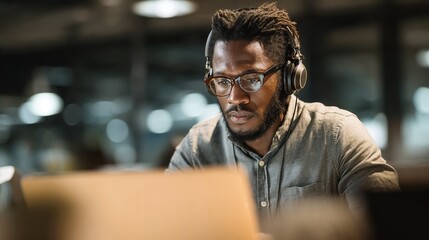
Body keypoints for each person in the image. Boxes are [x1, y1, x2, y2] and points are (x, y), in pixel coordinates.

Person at [166, 2, 399, 228]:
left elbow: (389, 227)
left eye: (251, 79)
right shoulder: (197, 148)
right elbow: (161, 226)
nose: (235, 98)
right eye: (222, 81)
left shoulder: (337, 135)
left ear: (289, 77)